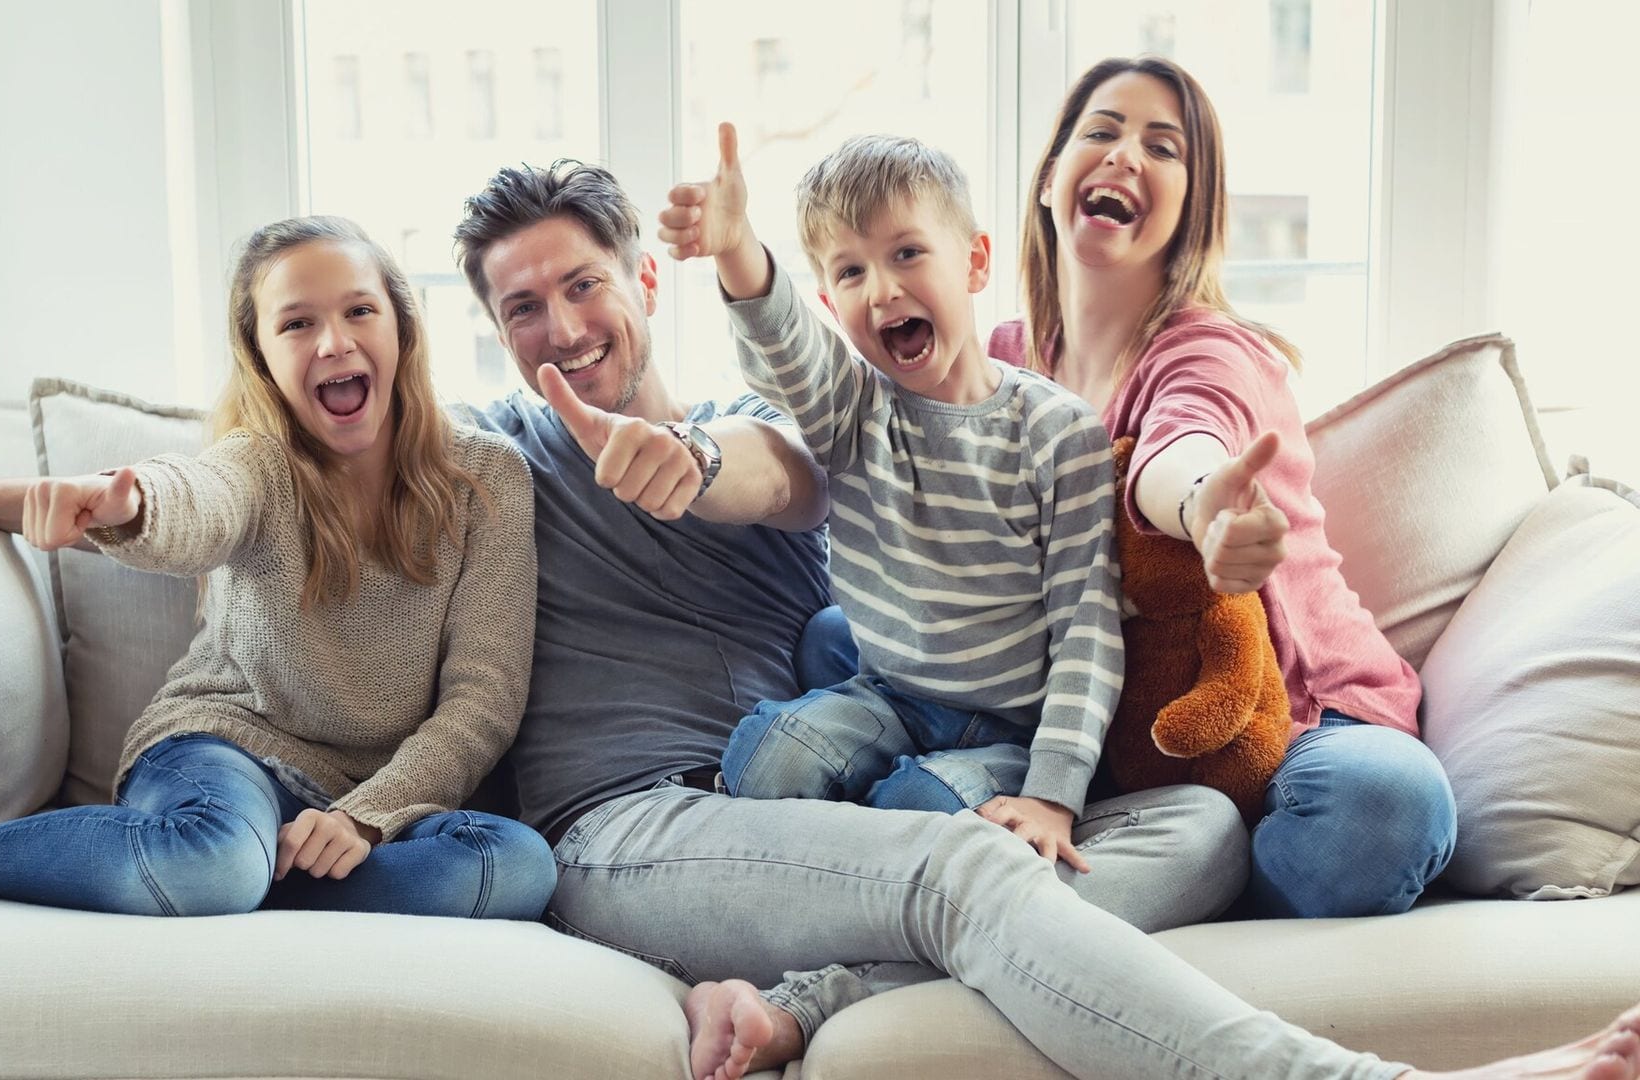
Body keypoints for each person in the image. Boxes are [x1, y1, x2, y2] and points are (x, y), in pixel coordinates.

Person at [444, 158, 1640, 1080]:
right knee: (960, 866)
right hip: (643, 827)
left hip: (834, 826)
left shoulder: (791, 420)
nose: (560, 327)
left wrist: (696, 462)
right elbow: (343, 456)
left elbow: (772, 466)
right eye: (523, 310)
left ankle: (815, 996)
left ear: (643, 279)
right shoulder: (496, 454)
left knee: (1203, 830)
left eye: (581, 283)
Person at [0, 215, 554, 943]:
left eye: (358, 311)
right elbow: (188, 503)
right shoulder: (258, 465)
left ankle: (230, 882)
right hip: (228, 752)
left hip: (374, 799)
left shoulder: (489, 479)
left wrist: (368, 817)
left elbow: (484, 699)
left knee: (512, 867)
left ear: (403, 329)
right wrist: (122, 505)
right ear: (265, 360)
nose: (333, 343)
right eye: (296, 324)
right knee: (210, 857)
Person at [980, 54, 1457, 920]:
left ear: (1192, 207)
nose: (1126, 155)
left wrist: (1205, 510)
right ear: (1050, 177)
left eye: (1163, 147)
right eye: (1103, 131)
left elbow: (1182, 443)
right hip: (1121, 748)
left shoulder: (1210, 350)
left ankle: (1201, 861)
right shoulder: (1000, 364)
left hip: (1313, 728)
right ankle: (1180, 855)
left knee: (1384, 812)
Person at [679, 124, 1121, 874]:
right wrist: (736, 250)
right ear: (828, 296)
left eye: (907, 253)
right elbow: (788, 345)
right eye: (851, 273)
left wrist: (1054, 793)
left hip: (1008, 731)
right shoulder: (850, 407)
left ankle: (870, 836)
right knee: (766, 762)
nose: (881, 289)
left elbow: (1088, 628)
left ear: (975, 262)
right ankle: (839, 834)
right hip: (888, 693)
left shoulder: (1058, 431)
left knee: (914, 811)